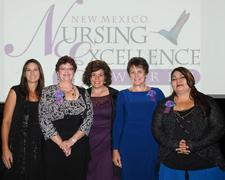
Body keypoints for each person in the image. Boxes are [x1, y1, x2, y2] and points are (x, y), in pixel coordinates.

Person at [152, 67, 225, 180]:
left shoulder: (207, 101)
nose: (178, 80)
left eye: (182, 77)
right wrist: (174, 145)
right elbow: (156, 129)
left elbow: (218, 127)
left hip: (205, 164)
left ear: (190, 80)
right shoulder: (164, 104)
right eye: (174, 78)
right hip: (171, 165)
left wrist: (193, 145)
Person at [39, 55, 93, 180]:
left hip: (78, 145)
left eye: (70, 68)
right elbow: (44, 119)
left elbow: (89, 119)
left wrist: (71, 142)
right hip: (53, 145)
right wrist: (62, 144)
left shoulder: (84, 92)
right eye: (63, 68)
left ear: (74, 71)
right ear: (57, 72)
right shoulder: (47, 92)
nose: (66, 72)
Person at [112, 57, 165, 180]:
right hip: (128, 143)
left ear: (146, 73)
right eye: (132, 72)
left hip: (151, 141)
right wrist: (115, 150)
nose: (136, 75)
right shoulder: (123, 94)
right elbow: (118, 123)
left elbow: (166, 115)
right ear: (129, 75)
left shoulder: (156, 93)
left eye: (139, 71)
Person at [1, 59, 45, 180]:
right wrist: (5, 148)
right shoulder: (15, 91)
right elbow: (6, 121)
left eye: (35, 69)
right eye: (28, 70)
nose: (32, 73)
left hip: (37, 150)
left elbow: (59, 98)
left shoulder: (45, 94)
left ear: (40, 73)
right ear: (24, 74)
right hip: (16, 148)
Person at [82, 60, 121, 180]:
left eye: (100, 74)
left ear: (105, 77)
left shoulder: (116, 95)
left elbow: (120, 123)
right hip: (87, 145)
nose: (97, 78)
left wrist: (117, 148)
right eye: (93, 75)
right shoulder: (82, 95)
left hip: (108, 145)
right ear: (89, 77)